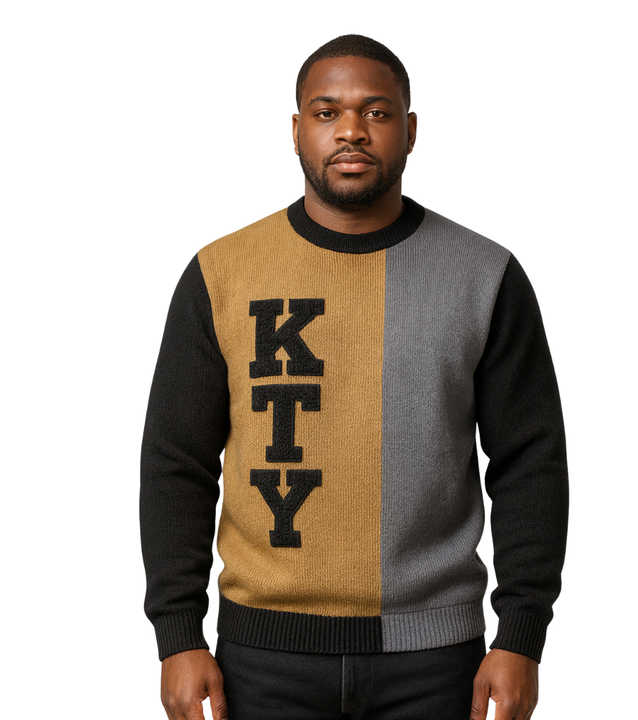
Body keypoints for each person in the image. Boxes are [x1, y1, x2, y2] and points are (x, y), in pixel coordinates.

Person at [140, 33, 569, 720]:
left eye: (376, 112)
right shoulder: (222, 274)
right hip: (261, 657)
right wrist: (178, 635)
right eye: (326, 111)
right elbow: (176, 463)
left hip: (436, 660)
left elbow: (530, 462)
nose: (351, 131)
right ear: (296, 130)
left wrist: (521, 635)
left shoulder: (484, 276)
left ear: (410, 130)